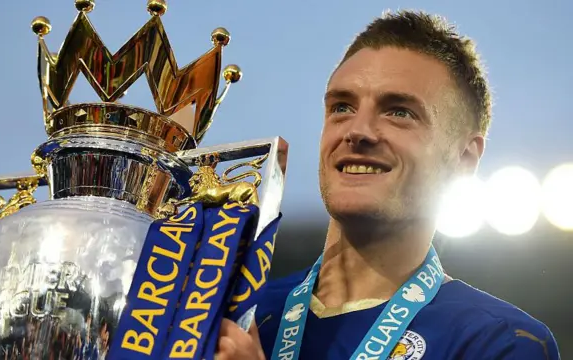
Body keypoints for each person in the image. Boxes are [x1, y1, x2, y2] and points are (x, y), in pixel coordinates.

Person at [215, 9, 561, 360]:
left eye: (399, 111)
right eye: (342, 107)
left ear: (464, 159)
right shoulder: (239, 317)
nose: (357, 131)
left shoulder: (500, 341)